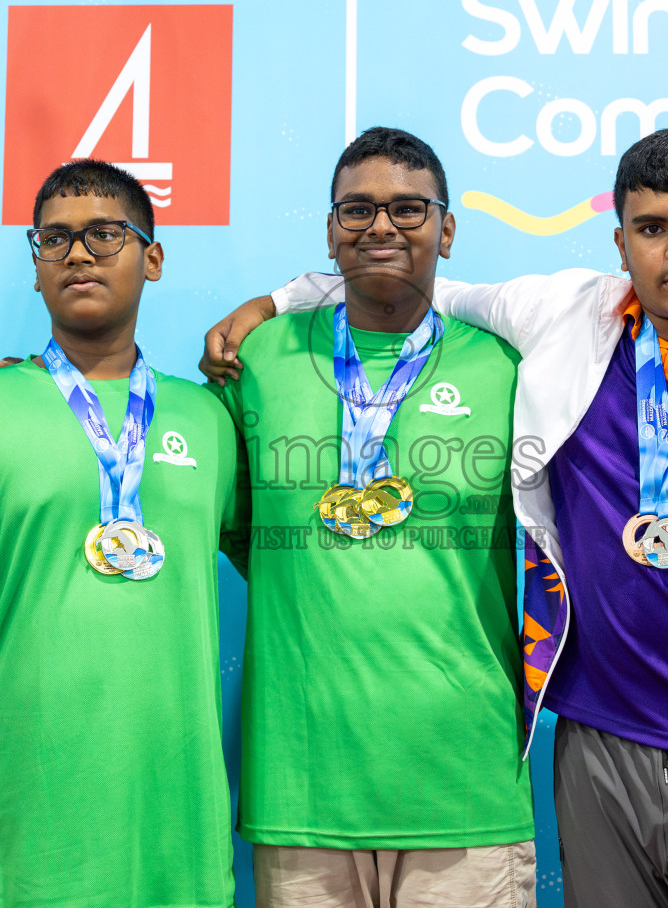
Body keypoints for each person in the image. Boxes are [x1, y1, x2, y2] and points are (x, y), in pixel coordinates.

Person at [209, 128, 668, 907]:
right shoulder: (568, 324)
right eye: (651, 228)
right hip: (597, 749)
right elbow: (407, 279)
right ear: (620, 242)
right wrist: (278, 300)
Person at [0, 160, 247, 908]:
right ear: (37, 263)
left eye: (105, 233)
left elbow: (286, 575)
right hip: (17, 825)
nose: (77, 253)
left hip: (180, 829)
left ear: (152, 256)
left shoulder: (210, 420)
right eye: (55, 238)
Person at [212, 127, 537, 907]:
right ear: (330, 230)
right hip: (303, 792)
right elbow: (210, 505)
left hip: (464, 786)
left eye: (408, 209)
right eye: (356, 210)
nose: (380, 227)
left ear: (447, 229)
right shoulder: (257, 358)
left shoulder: (510, 367)